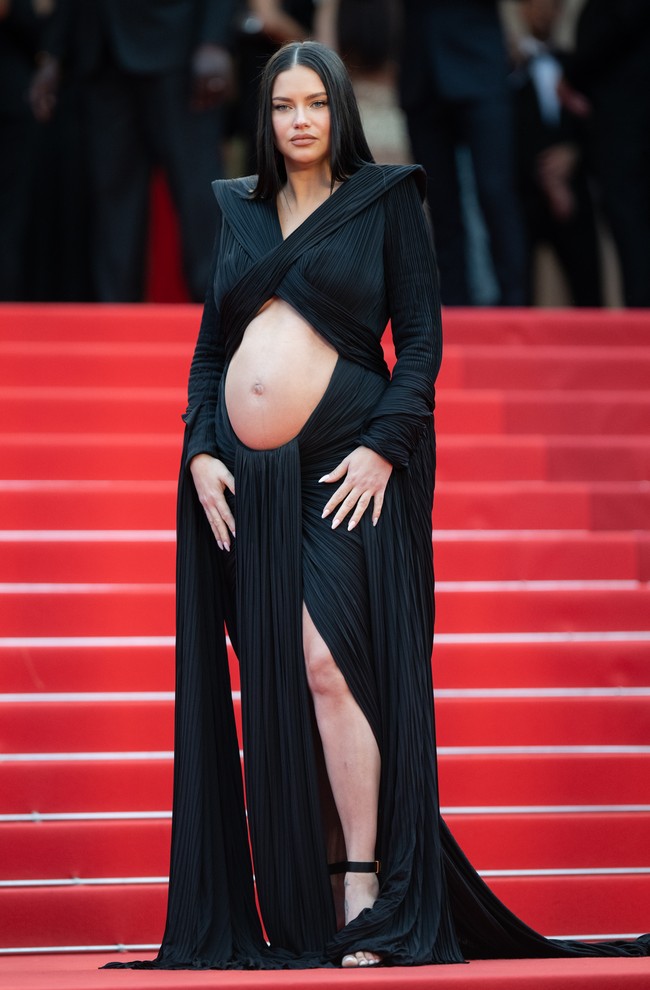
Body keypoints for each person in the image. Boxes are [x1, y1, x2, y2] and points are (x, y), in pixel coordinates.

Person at [106, 41, 649, 970]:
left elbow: (423, 348)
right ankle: (315, 899)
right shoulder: (239, 210)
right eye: (283, 105)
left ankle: (367, 883)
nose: (300, 120)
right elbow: (209, 356)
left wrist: (381, 450)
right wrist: (199, 451)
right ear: (266, 117)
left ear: (340, 110)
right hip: (247, 484)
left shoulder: (386, 199)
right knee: (280, 680)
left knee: (329, 664)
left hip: (345, 474)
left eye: (316, 103)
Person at [29, 0, 235, 303]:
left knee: (198, 193)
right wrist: (53, 54)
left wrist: (213, 40)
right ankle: (116, 321)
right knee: (112, 198)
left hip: (179, 48)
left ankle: (218, 318)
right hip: (101, 55)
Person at [398, 0, 528, 306]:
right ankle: (456, 310)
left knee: (495, 192)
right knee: (441, 205)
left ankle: (516, 309)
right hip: (421, 71)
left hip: (480, 65)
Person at [511, 0, 603, 306]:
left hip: (574, 194)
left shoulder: (578, 64)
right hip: (523, 195)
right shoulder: (506, 66)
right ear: (521, 9)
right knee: (518, 289)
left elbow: (598, 122)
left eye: (551, 4)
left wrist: (575, 153)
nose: (542, 12)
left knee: (588, 289)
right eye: (534, 4)